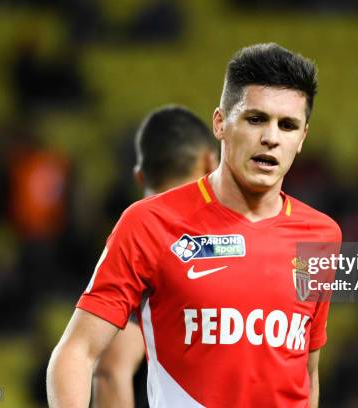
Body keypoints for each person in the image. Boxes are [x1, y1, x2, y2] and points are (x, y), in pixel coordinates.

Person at [47, 43, 342, 407]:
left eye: (288, 125)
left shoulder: (321, 236)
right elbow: (76, 352)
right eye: (255, 119)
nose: (271, 137)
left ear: (302, 139)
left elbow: (307, 374)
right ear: (220, 123)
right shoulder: (150, 224)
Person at [92, 105, 218, 407]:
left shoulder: (124, 239)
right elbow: (110, 368)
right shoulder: (153, 243)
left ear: (140, 176)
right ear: (209, 161)